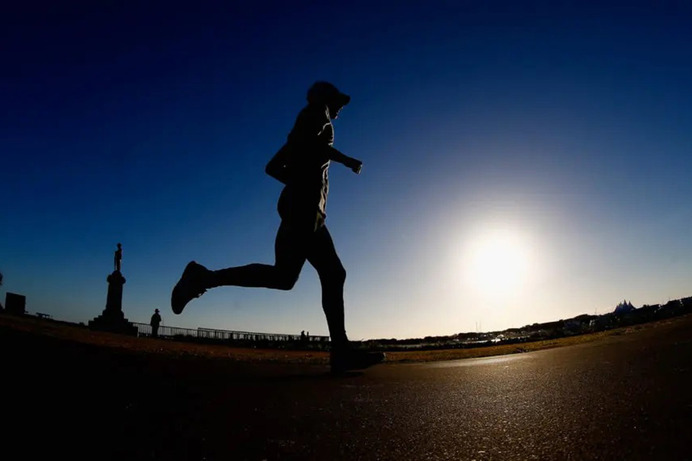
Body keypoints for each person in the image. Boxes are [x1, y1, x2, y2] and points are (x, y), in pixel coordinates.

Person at [171, 81, 384, 373]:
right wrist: (345, 160)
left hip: (304, 209)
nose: (340, 110)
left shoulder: (304, 124)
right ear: (325, 99)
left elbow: (273, 167)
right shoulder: (317, 115)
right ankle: (341, 351)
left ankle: (203, 278)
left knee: (286, 277)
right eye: (339, 103)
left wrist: (299, 181)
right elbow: (312, 147)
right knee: (332, 273)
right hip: (305, 210)